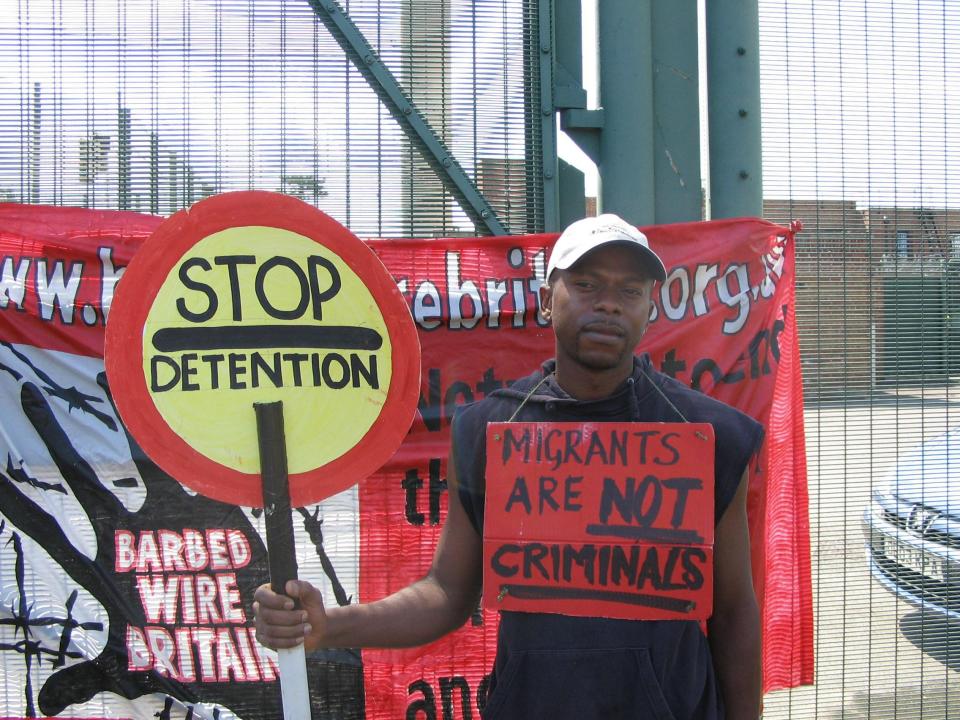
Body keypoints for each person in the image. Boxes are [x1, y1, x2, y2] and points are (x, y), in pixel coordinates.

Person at [254, 214, 763, 719]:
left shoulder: (706, 436)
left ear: (649, 309)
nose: (608, 303)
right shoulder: (490, 431)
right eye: (586, 285)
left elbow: (736, 608)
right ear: (546, 299)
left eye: (630, 291)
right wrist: (329, 627)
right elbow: (448, 592)